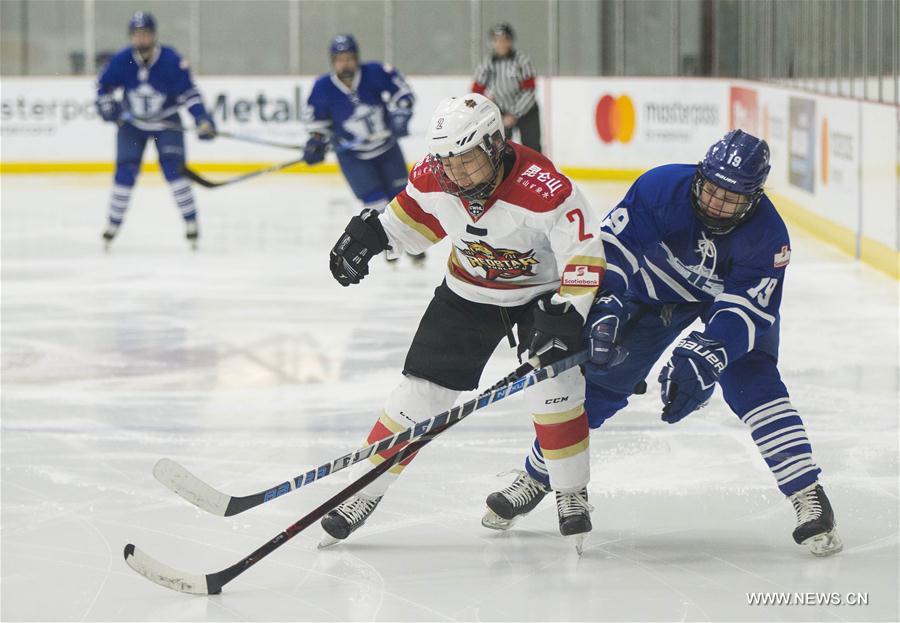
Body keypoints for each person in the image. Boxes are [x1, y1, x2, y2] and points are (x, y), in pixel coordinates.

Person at [484, 129, 843, 557]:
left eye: (732, 198)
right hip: (651, 300)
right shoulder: (659, 188)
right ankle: (538, 476)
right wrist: (609, 304)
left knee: (754, 382)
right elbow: (613, 250)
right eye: (712, 190)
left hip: (726, 306)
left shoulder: (768, 236)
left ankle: (808, 492)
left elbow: (746, 311)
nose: (716, 203)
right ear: (699, 176)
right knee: (599, 387)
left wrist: (708, 354)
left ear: (754, 198)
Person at [321, 93, 606, 549]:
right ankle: (363, 492)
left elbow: (585, 255)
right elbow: (414, 224)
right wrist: (373, 237)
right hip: (467, 293)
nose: (455, 174)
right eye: (447, 163)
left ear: (495, 144)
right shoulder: (436, 177)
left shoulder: (546, 189)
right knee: (419, 392)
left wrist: (569, 309)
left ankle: (571, 492)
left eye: (467, 161)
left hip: (539, 298)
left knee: (556, 386)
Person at [96, 11, 216, 250]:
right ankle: (113, 224)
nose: (141, 39)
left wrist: (201, 117)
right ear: (131, 37)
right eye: (136, 35)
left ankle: (191, 222)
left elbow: (189, 93)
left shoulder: (171, 60)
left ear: (154, 35)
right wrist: (108, 106)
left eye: (145, 34)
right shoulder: (122, 60)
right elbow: (104, 88)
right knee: (125, 172)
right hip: (133, 126)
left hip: (166, 123)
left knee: (175, 171)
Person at [303, 34, 422, 263]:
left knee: (402, 200)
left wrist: (400, 116)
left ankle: (415, 243)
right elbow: (318, 123)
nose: (345, 63)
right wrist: (315, 142)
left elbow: (403, 94)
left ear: (356, 58)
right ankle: (388, 245)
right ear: (332, 61)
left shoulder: (375, 72)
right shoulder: (323, 87)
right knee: (377, 204)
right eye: (340, 59)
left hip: (387, 149)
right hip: (353, 158)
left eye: (349, 58)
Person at [472, 23, 541, 153]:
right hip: (501, 113)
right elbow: (477, 89)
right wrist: (487, 110)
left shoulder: (522, 60)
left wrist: (514, 114)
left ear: (510, 41)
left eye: (504, 40)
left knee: (533, 149)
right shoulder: (487, 63)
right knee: (499, 150)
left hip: (527, 112)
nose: (501, 44)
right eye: (497, 41)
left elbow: (530, 90)